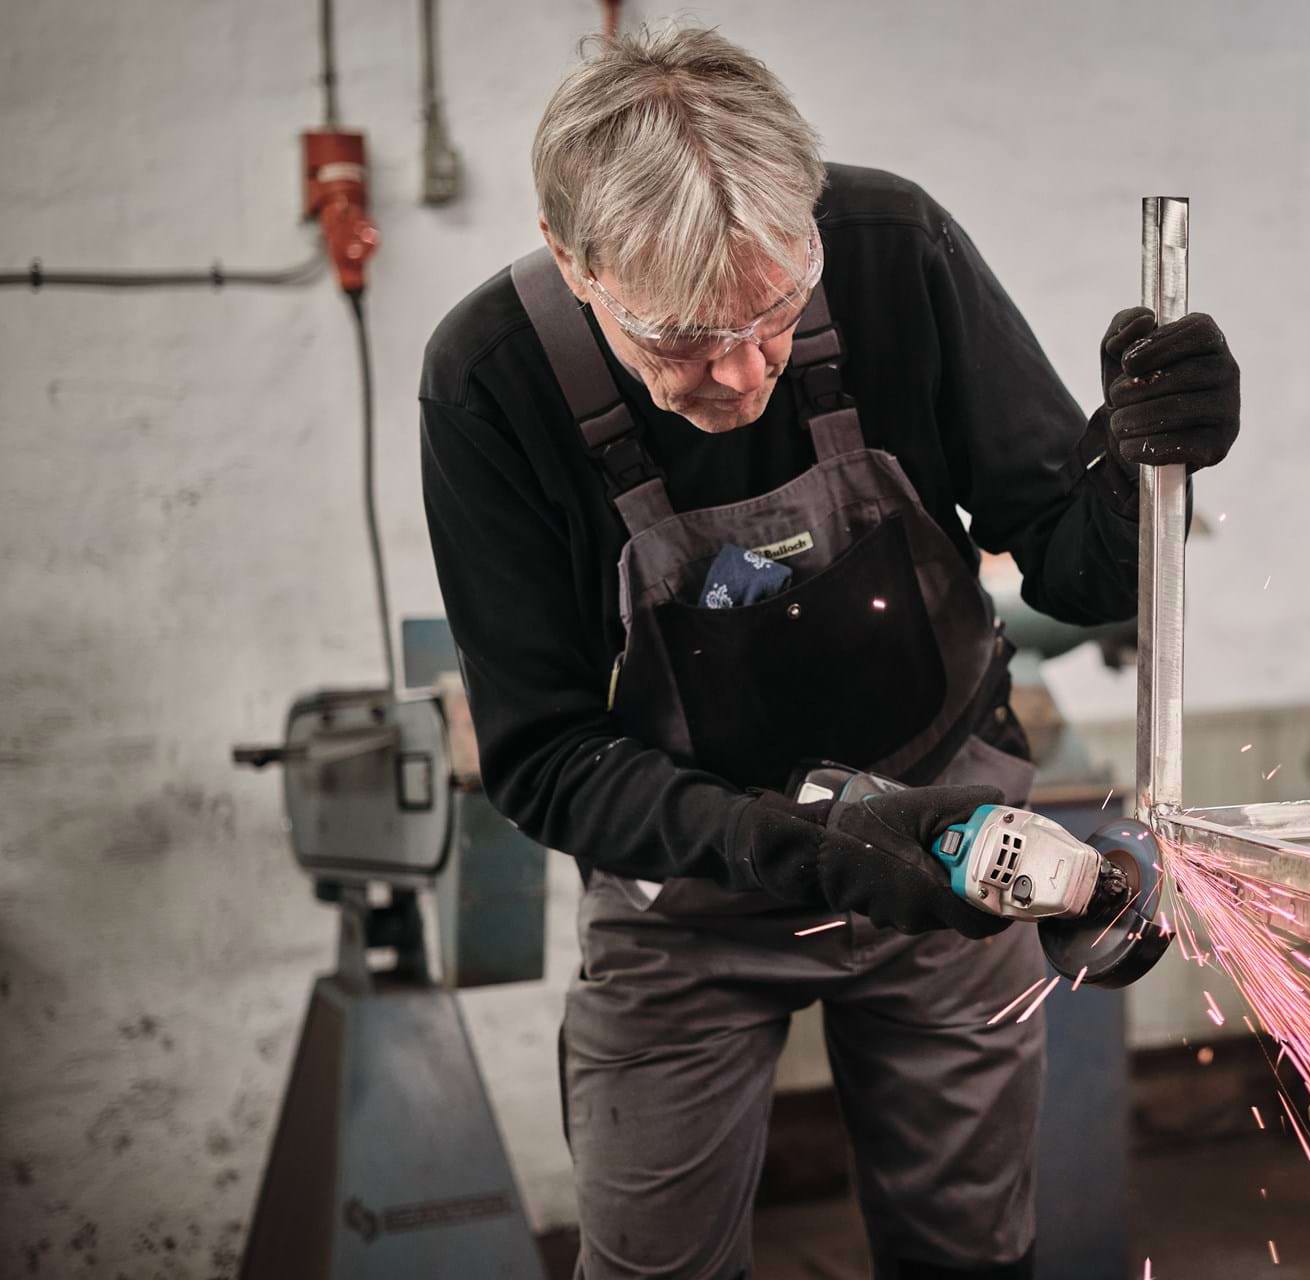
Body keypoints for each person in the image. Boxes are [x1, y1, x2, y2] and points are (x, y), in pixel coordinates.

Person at [419, 25, 1240, 1280]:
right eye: (682, 339)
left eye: (773, 313)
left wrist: (1143, 470)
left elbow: (1069, 565)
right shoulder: (490, 381)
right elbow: (545, 757)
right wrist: (803, 840)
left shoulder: (892, 248)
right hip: (684, 896)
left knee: (969, 1255)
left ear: (808, 220)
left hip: (952, 848)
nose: (742, 371)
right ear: (572, 257)